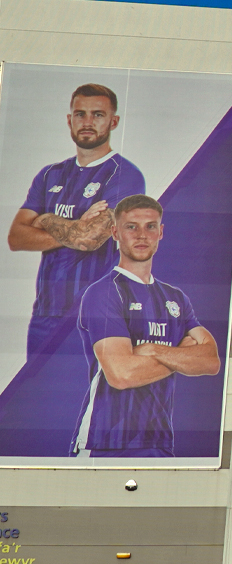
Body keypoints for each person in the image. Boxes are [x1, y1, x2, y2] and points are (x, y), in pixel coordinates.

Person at [73, 194, 218, 457]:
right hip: (106, 442)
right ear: (116, 232)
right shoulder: (104, 293)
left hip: (160, 442)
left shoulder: (176, 298)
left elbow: (210, 360)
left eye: (150, 226)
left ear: (161, 232)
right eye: (132, 227)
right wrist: (181, 354)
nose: (142, 235)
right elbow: (122, 375)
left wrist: (152, 349)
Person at [7, 84, 145, 359]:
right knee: (37, 398)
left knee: (86, 399)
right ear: (69, 120)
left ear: (113, 121)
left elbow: (90, 239)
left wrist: (45, 220)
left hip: (92, 317)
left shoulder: (124, 175)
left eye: (98, 115)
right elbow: (16, 238)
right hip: (44, 316)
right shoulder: (49, 175)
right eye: (80, 114)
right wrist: (76, 225)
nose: (87, 122)